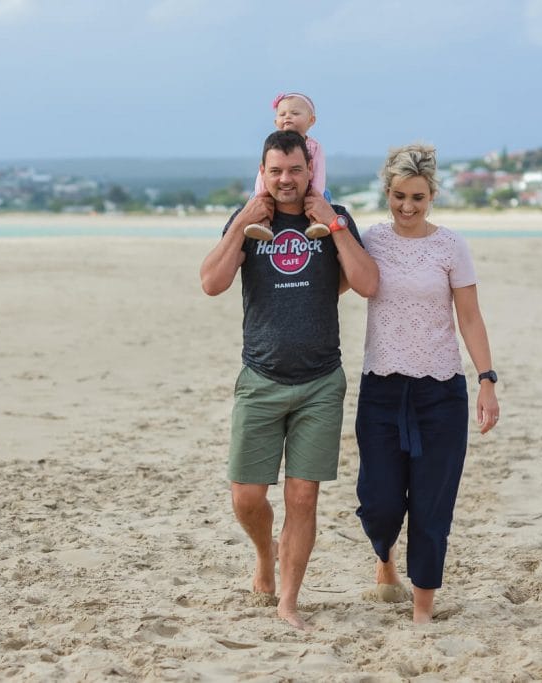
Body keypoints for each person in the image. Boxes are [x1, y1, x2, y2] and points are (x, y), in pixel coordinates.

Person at [200, 129, 379, 630]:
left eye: (295, 170)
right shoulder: (248, 219)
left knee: (303, 496)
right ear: (263, 171)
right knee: (247, 497)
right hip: (260, 377)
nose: (286, 179)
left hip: (321, 380)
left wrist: (335, 227)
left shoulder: (333, 217)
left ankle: (289, 601)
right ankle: (265, 555)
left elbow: (368, 284)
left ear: (309, 170)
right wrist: (240, 226)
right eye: (276, 170)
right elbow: (212, 283)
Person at [355, 143, 500, 624]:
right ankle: (384, 560)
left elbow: (472, 318)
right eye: (399, 196)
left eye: (417, 197)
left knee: (431, 503)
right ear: (388, 193)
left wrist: (486, 380)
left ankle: (422, 610)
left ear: (432, 194)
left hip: (440, 392)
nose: (408, 207)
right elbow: (341, 281)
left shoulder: (451, 246)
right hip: (381, 390)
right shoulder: (372, 240)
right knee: (378, 501)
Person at [244, 92, 332, 242]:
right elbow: (263, 175)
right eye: (282, 114)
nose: (287, 117)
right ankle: (262, 223)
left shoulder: (314, 147)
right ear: (275, 121)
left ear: (311, 120)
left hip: (310, 189)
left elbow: (319, 172)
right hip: (272, 191)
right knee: (254, 199)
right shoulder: (273, 145)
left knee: (326, 197)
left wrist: (315, 194)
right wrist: (261, 194)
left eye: (295, 113)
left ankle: (316, 222)